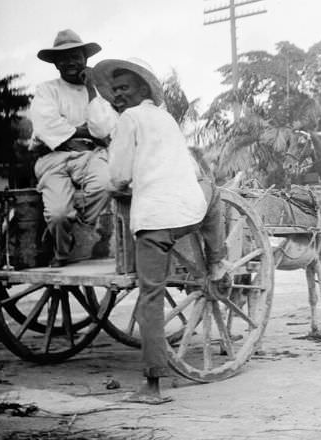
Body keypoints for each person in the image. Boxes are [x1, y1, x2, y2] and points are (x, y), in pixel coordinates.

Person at [94, 57, 229, 404]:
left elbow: (119, 174)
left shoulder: (128, 120)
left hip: (154, 222)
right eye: (115, 90)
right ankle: (217, 261)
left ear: (143, 89)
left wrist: (119, 185)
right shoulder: (166, 118)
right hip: (188, 214)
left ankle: (152, 387)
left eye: (124, 88)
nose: (118, 94)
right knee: (214, 194)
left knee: (149, 299)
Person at [29, 29, 118, 266]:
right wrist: (83, 131)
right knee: (58, 214)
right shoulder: (47, 90)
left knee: (107, 182)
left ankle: (80, 230)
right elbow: (46, 125)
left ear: (85, 60)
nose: (70, 63)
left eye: (75, 57)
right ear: (56, 64)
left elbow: (102, 128)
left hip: (90, 156)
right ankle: (61, 250)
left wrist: (91, 89)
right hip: (53, 158)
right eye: (63, 58)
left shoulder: (97, 93)